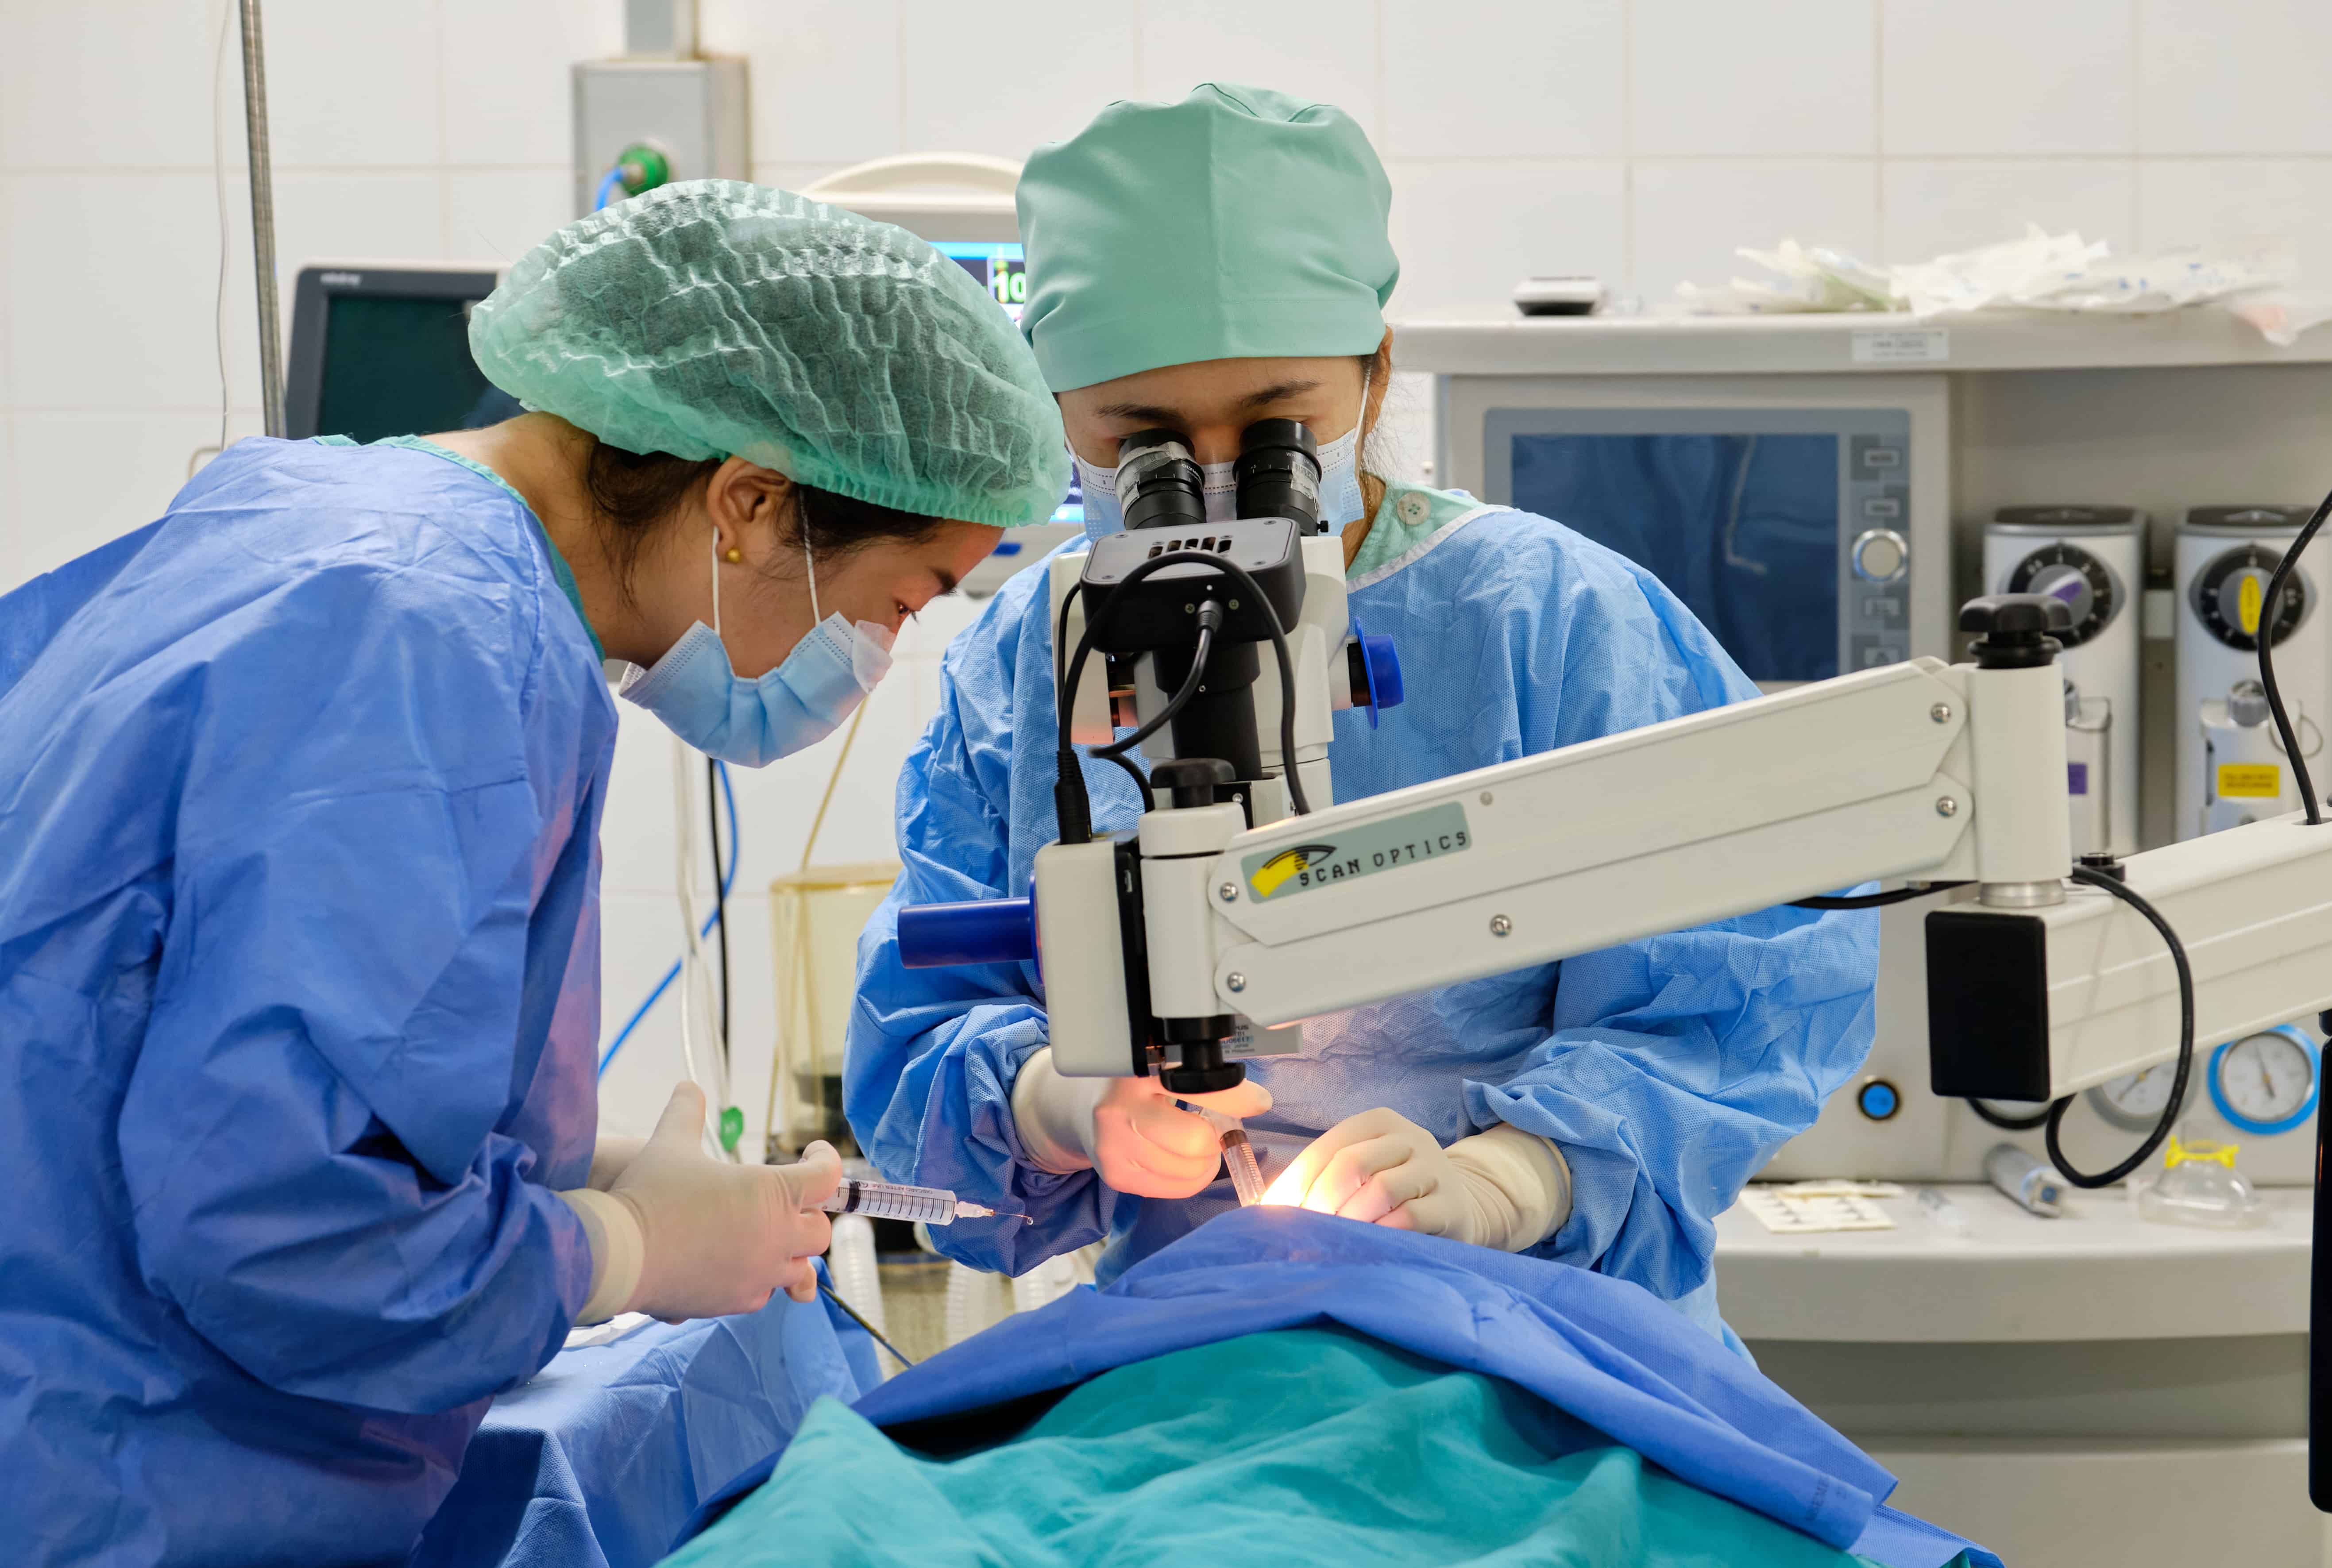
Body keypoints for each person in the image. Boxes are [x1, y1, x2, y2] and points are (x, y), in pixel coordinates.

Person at [0, 181, 1067, 1566]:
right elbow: (273, 1228)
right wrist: (621, 1251)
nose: (870, 657)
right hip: (109, 1473)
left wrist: (571, 1172)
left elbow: (158, 1029)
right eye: (901, 599)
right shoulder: (427, 640)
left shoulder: (310, 518)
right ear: (745, 501)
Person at [846, 86, 1878, 1347]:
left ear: (1377, 369)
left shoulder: (1554, 622)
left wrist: (1513, 1179)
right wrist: (1064, 1101)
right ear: (1056, 406)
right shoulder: (1026, 665)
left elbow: (1737, 996)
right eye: (1145, 438)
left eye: (1278, 427)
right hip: (1185, 1340)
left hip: (1542, 1337)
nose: (1215, 485)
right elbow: (923, 1029)